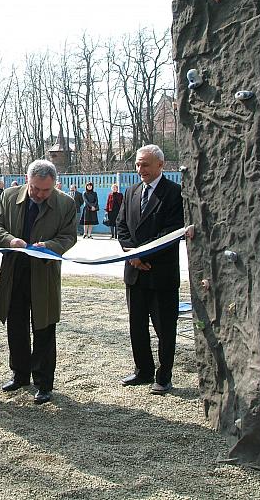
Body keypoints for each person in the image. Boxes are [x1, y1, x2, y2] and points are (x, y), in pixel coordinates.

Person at [0, 159, 77, 405]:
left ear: (55, 184)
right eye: (35, 188)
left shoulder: (66, 203)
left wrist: (48, 247)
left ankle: (44, 383)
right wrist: (10, 240)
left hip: (44, 274)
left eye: (46, 190)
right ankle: (20, 374)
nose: (40, 194)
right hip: (15, 272)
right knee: (16, 326)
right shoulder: (9, 196)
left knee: (44, 327)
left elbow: (69, 236)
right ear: (27, 180)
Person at [116, 144, 184, 395]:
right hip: (134, 272)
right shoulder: (131, 191)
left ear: (160, 165)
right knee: (137, 325)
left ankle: (164, 376)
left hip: (160, 272)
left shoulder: (174, 193)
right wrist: (132, 255)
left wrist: (142, 254)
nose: (140, 169)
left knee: (164, 328)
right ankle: (142, 370)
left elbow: (171, 232)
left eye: (145, 164)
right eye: (137, 164)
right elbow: (121, 226)